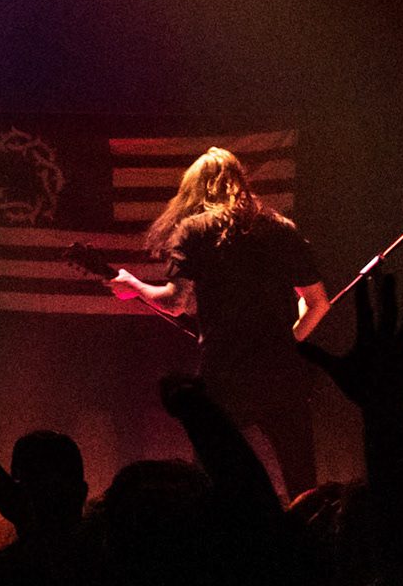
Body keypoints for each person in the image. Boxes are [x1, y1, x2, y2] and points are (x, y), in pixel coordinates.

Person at [107, 146, 329, 498]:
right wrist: (287, 342)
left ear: (194, 190)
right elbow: (317, 303)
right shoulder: (282, 230)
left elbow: (176, 303)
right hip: (283, 375)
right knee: (304, 485)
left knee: (211, 481)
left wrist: (134, 286)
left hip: (225, 375)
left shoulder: (194, 231)